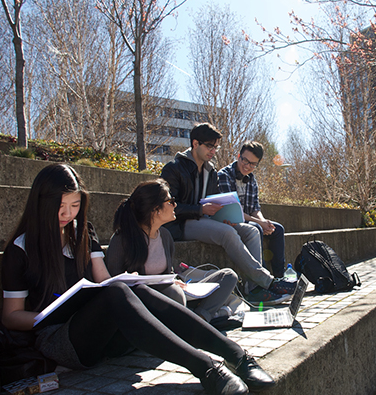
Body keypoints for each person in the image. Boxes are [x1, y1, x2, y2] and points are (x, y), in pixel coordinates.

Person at [0, 164, 274, 395]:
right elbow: (10, 316)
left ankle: (239, 357)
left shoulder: (83, 233)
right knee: (119, 291)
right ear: (42, 203)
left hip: (105, 337)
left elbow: (105, 281)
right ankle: (208, 369)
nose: (68, 214)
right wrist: (47, 314)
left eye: (75, 206)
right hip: (60, 340)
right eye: (61, 207)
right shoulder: (20, 249)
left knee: (131, 289)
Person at [160, 123, 295, 303]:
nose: (213, 151)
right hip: (181, 223)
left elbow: (216, 201)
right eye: (209, 146)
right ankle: (267, 282)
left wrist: (225, 216)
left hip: (205, 220)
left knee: (253, 231)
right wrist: (200, 210)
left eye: (216, 147)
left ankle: (253, 289)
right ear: (195, 143)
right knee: (228, 233)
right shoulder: (174, 168)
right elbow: (170, 206)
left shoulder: (211, 171)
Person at [105, 179, 244, 329]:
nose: (175, 205)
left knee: (228, 276)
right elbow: (113, 284)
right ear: (155, 209)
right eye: (171, 201)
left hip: (169, 293)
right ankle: (195, 322)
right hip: (145, 301)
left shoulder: (165, 236)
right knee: (175, 294)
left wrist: (173, 280)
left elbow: (166, 272)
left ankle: (200, 319)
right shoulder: (123, 239)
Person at [218, 141, 286, 278]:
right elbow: (232, 210)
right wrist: (260, 223)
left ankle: (280, 276)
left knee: (278, 229)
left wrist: (263, 220)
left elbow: (255, 207)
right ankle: (265, 279)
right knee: (257, 228)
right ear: (239, 156)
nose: (247, 166)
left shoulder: (252, 180)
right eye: (245, 160)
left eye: (253, 164)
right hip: (230, 220)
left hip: (249, 219)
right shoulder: (224, 175)